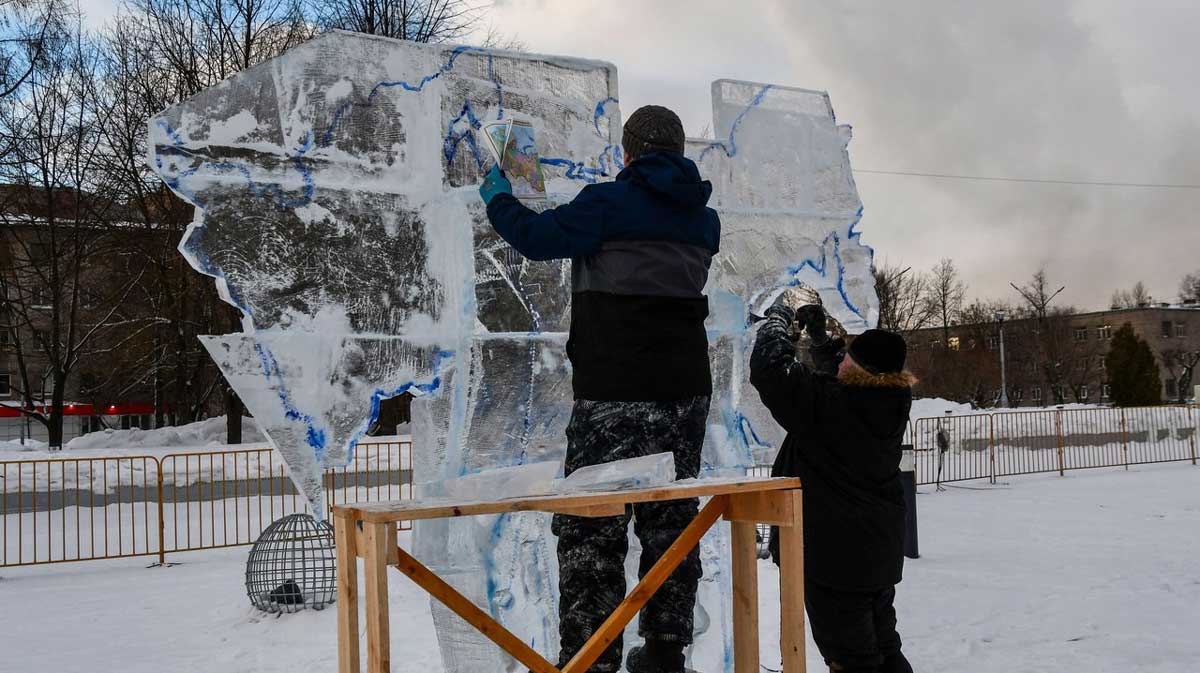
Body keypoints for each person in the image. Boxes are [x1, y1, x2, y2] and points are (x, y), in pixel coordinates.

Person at [479, 105, 720, 673]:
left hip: (613, 392)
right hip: (685, 395)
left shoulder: (608, 204)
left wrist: (499, 197)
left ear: (627, 154)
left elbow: (535, 238)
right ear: (680, 153)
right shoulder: (703, 220)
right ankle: (665, 652)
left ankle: (592, 659)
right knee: (670, 521)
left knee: (593, 527)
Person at [750, 289, 916, 673]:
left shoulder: (832, 405)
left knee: (852, 660)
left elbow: (771, 370)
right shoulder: (890, 401)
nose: (842, 365)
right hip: (873, 553)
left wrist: (777, 319)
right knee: (885, 647)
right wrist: (821, 340)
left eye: (849, 361)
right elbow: (841, 382)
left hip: (835, 559)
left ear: (860, 373)